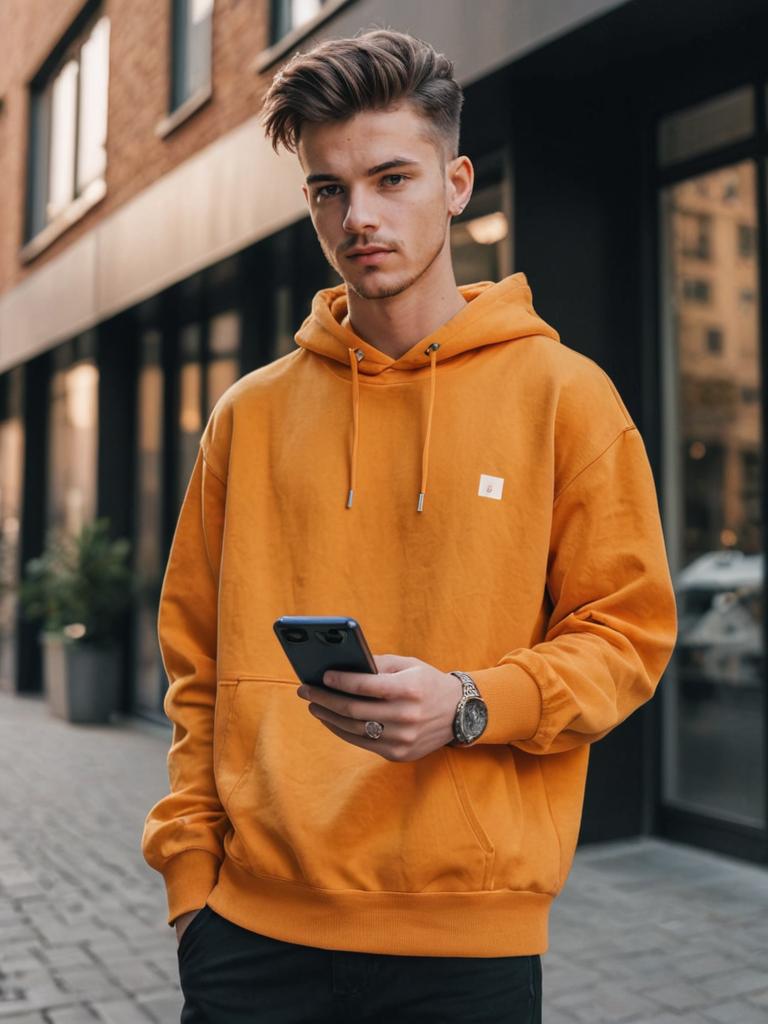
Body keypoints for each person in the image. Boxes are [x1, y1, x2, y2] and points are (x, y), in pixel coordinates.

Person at [142, 27, 677, 1024]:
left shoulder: (566, 398)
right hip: (251, 938)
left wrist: (471, 702)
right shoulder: (247, 416)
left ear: (458, 181)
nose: (360, 217)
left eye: (392, 178)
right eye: (329, 190)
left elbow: (628, 636)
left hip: (465, 946)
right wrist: (191, 889)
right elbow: (194, 667)